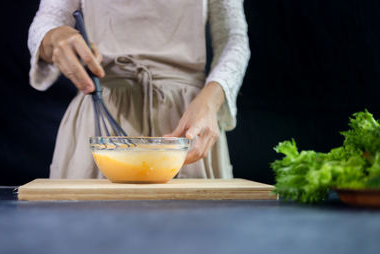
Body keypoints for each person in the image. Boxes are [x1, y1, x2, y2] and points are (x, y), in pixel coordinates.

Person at [28, 0, 250, 179]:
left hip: (187, 123)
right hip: (99, 119)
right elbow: (46, 22)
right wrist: (53, 38)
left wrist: (210, 101)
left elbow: (234, 39)